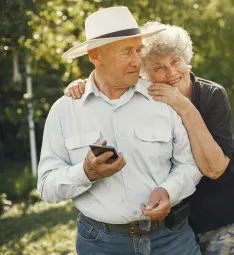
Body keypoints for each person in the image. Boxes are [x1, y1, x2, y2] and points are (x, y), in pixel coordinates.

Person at [65, 22, 234, 254]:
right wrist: (85, 85)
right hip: (177, 222)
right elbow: (109, 85)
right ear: (145, 74)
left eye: (175, 61)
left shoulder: (211, 95)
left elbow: (215, 169)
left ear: (186, 59)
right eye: (159, 67)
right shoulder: (148, 97)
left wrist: (183, 106)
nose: (171, 72)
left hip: (225, 213)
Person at [38, 7, 203, 255]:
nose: (138, 61)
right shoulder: (65, 111)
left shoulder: (162, 99)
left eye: (138, 50)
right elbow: (47, 187)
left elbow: (190, 164)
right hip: (101, 245)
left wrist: (168, 191)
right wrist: (86, 172)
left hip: (170, 239)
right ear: (95, 56)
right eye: (126, 52)